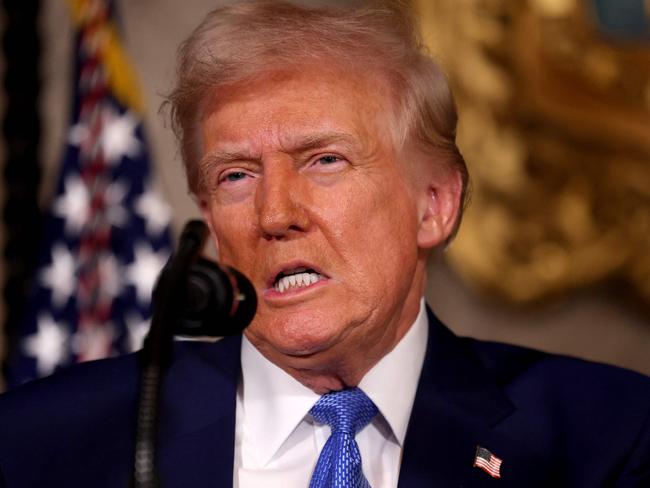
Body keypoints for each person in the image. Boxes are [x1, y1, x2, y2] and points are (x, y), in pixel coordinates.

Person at [0, 1, 648, 487]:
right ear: (207, 220)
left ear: (435, 205)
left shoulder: (608, 436)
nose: (275, 214)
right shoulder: (42, 441)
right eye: (235, 176)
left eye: (325, 161)